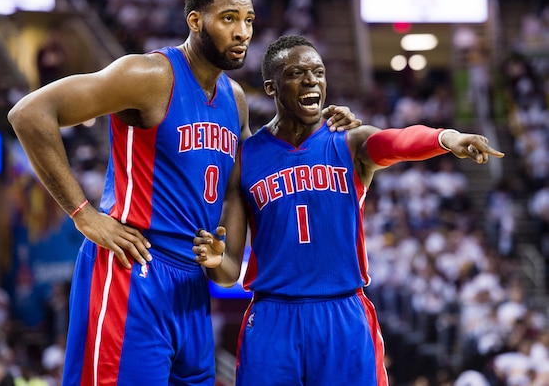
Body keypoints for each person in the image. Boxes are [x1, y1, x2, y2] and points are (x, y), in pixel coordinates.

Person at [7, 0, 359, 385]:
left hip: (192, 283)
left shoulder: (236, 99)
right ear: (195, 21)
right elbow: (30, 114)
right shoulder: (148, 75)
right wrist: (84, 214)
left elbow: (245, 183)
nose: (242, 32)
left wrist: (327, 131)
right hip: (134, 268)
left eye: (248, 20)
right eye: (228, 18)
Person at [193, 35, 505, 385]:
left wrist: (446, 138)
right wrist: (217, 260)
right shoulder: (245, 156)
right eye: (297, 73)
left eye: (318, 72)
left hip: (342, 312)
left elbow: (397, 141)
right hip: (272, 316)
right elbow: (228, 272)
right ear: (271, 86)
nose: (311, 80)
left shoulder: (349, 140)